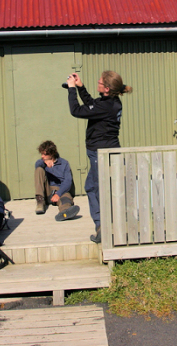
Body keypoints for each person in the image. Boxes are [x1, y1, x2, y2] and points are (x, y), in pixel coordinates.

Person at [67, 70, 132, 243]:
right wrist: (81, 87)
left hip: (100, 153)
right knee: (92, 187)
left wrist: (71, 89)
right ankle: (102, 225)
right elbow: (91, 106)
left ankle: (102, 226)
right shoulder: (110, 102)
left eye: (101, 81)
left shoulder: (106, 105)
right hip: (105, 151)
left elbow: (77, 110)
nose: (98, 80)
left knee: (97, 190)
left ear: (107, 88)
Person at [34, 140, 80, 221]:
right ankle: (40, 202)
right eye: (41, 154)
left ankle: (65, 212)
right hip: (48, 191)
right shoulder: (41, 163)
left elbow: (68, 181)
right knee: (39, 170)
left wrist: (58, 194)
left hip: (60, 191)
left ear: (51, 154)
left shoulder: (64, 163)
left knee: (66, 198)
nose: (42, 156)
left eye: (44, 154)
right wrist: (44, 163)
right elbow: (37, 165)